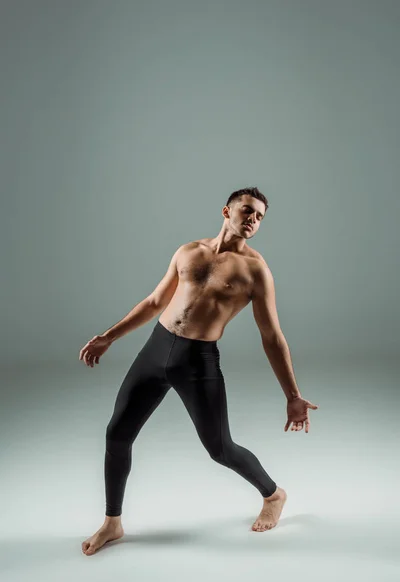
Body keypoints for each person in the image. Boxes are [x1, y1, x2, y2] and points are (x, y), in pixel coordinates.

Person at [79, 186, 319, 556]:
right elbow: (155, 301)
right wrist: (109, 337)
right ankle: (113, 522)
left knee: (220, 448)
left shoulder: (256, 271)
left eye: (259, 217)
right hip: (155, 349)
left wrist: (292, 395)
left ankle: (274, 494)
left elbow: (272, 337)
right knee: (117, 434)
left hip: (197, 362)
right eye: (247, 210)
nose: (253, 220)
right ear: (227, 211)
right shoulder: (189, 251)